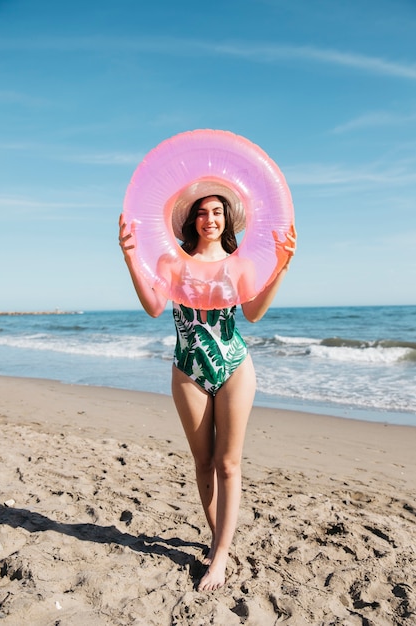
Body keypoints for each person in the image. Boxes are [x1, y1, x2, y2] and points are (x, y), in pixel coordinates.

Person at [119, 192, 296, 591]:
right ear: (192, 220)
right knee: (203, 463)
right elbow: (153, 308)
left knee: (228, 463)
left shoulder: (240, 264)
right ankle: (221, 540)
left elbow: (252, 314)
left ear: (227, 218)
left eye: (217, 212)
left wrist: (282, 267)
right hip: (188, 367)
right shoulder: (172, 262)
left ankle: (219, 555)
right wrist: (130, 257)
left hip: (234, 364)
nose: (209, 219)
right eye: (202, 213)